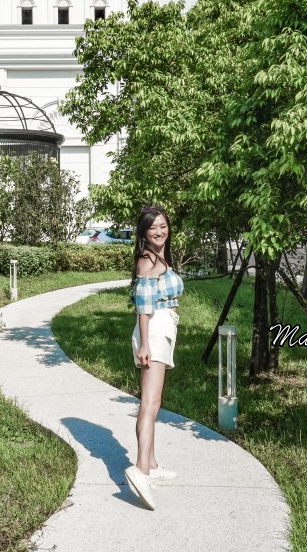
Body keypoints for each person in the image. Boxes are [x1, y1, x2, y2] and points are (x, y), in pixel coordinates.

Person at [123, 204, 184, 510]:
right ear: (144, 233)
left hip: (161, 327)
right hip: (155, 330)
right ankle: (141, 470)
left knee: (152, 402)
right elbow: (143, 308)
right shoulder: (148, 262)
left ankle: (152, 463)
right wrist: (145, 344)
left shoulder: (157, 256)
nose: (160, 231)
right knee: (150, 403)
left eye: (163, 226)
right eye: (153, 228)